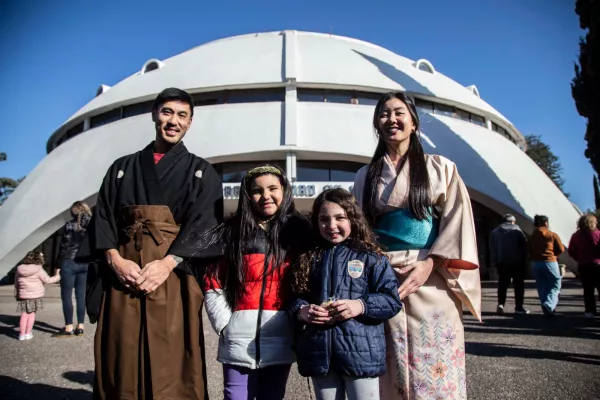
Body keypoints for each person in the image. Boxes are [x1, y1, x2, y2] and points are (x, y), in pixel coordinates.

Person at [87, 87, 223, 400]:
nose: (173, 121)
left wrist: (167, 263)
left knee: (172, 353)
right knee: (120, 350)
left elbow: (206, 225)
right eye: (167, 112)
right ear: (154, 115)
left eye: (182, 115)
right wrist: (115, 261)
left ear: (190, 123)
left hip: (173, 276)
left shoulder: (202, 171)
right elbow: (103, 218)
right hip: (124, 273)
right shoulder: (122, 168)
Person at [352, 91, 481, 400]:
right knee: (389, 363)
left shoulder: (441, 168)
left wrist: (429, 263)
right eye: (384, 114)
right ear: (376, 124)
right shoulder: (364, 176)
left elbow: (456, 220)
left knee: (434, 357)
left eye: (399, 112)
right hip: (383, 277)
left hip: (430, 275)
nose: (391, 119)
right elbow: (357, 231)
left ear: (413, 122)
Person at [200, 165, 312, 400]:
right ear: (247, 195)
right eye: (257, 191)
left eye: (273, 188)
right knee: (235, 396)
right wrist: (224, 324)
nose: (266, 196)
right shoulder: (232, 233)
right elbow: (213, 282)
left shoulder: (301, 232)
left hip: (281, 335)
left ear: (285, 190)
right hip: (237, 337)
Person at [291, 188, 402, 400]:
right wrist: (302, 311)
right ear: (316, 222)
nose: (331, 226)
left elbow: (392, 300)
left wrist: (360, 305)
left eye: (340, 217)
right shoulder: (308, 258)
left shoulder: (371, 258)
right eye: (324, 219)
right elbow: (294, 297)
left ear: (353, 218)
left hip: (362, 356)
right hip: (319, 355)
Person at [53, 201, 92, 337]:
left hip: (69, 262)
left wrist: (58, 265)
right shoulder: (91, 225)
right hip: (85, 263)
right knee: (81, 296)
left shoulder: (70, 224)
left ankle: (69, 327)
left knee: (67, 296)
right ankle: (80, 326)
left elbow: (64, 246)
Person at [14, 251, 60, 340]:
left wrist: (17, 294)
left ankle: (22, 334)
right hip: (35, 296)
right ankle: (28, 333)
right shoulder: (38, 269)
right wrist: (58, 276)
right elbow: (48, 280)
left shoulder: (19, 269)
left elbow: (16, 283)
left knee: (24, 314)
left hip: (23, 296)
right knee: (31, 315)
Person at [489, 214, 529, 315]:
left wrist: (494, 261)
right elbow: (524, 246)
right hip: (517, 262)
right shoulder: (517, 230)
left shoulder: (495, 232)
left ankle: (501, 304)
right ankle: (519, 307)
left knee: (502, 283)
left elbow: (492, 248)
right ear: (512, 222)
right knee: (519, 285)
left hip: (501, 262)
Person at [528, 214, 565, 316]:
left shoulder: (532, 236)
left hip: (536, 263)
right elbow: (561, 249)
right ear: (546, 223)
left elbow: (528, 250)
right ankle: (549, 304)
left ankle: (546, 305)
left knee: (542, 285)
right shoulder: (552, 235)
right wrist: (554, 254)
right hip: (550, 261)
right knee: (555, 284)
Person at [568, 214, 600, 318]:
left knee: (588, 289)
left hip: (583, 265)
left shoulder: (576, 235)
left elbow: (571, 250)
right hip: (597, 264)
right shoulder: (597, 234)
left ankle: (590, 311)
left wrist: (579, 258)